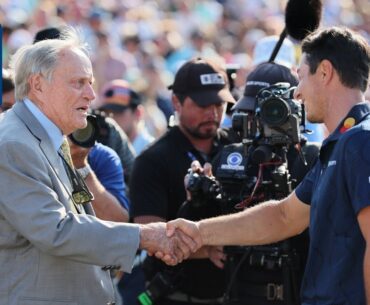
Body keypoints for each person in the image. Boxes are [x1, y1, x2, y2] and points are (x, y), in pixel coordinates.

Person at [167, 27, 370, 304]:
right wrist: (200, 232)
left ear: (324, 72)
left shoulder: (360, 141)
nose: (297, 93)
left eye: (301, 77)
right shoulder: (342, 143)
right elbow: (284, 216)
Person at [0, 26, 196, 305]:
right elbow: (56, 230)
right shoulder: (14, 144)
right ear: (38, 86)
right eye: (78, 82)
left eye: (90, 82)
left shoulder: (46, 135)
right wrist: (142, 236)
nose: (92, 95)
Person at [129, 57, 236, 305]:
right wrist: (207, 248)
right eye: (202, 104)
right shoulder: (152, 160)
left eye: (219, 104)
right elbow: (149, 237)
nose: (213, 112)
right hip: (176, 296)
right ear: (176, 102)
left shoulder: (237, 149)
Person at [213, 61, 319, 305]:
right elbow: (211, 219)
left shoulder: (313, 159)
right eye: (253, 113)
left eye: (272, 114)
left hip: (298, 291)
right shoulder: (232, 157)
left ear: (294, 111)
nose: (262, 124)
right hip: (240, 291)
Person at [98, 79, 155, 155]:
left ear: (138, 113)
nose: (111, 118)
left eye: (118, 112)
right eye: (106, 113)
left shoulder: (152, 152)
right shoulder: (103, 148)